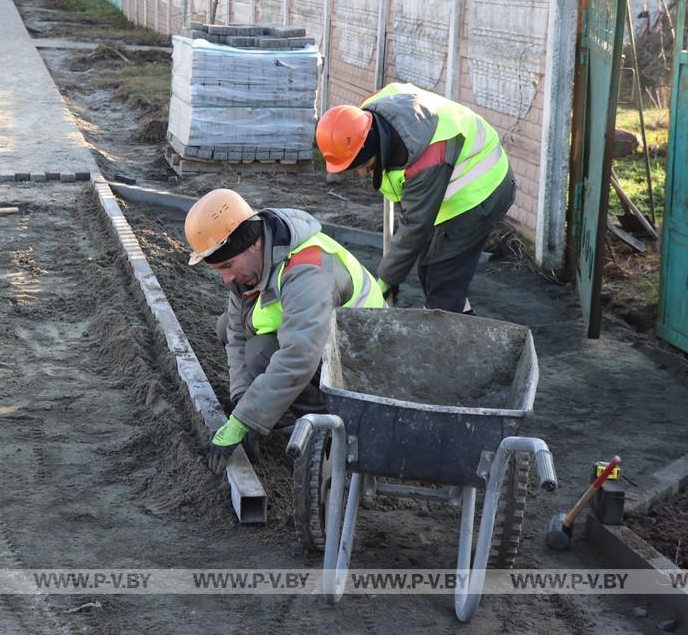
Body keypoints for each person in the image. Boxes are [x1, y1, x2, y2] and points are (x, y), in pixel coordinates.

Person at [184, 189, 385, 474]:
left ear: (253, 244)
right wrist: (244, 401)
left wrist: (243, 421)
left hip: (361, 368)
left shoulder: (308, 270)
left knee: (260, 354)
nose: (226, 278)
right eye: (219, 269)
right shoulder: (255, 264)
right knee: (229, 329)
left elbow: (299, 356)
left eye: (227, 265)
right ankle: (274, 415)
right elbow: (235, 332)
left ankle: (329, 435)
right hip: (323, 344)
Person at [316, 82, 516, 314]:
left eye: (362, 165)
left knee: (443, 273)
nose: (361, 173)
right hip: (449, 184)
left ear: (371, 146)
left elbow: (416, 224)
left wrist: (386, 279)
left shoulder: (425, 156)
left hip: (483, 188)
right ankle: (461, 316)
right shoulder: (365, 118)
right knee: (429, 268)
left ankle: (446, 340)